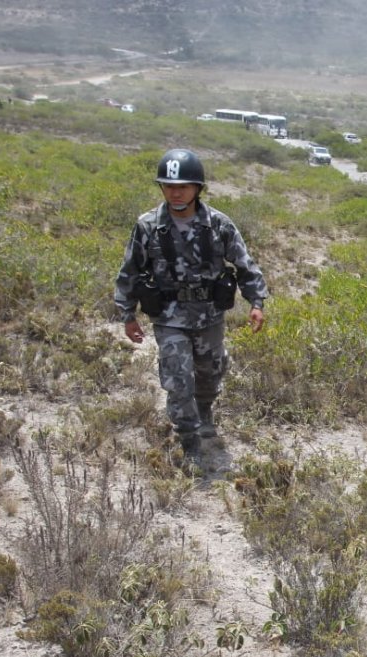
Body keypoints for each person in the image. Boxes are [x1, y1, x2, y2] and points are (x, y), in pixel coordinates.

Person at [114, 149, 269, 464]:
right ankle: (189, 441)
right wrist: (127, 314)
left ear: (197, 188)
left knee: (210, 371)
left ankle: (204, 410)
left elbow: (244, 263)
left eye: (183, 186)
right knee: (178, 377)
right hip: (169, 317)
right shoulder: (147, 226)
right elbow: (129, 270)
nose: (175, 192)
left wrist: (256, 301)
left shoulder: (218, 225)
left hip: (209, 314)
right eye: (169, 186)